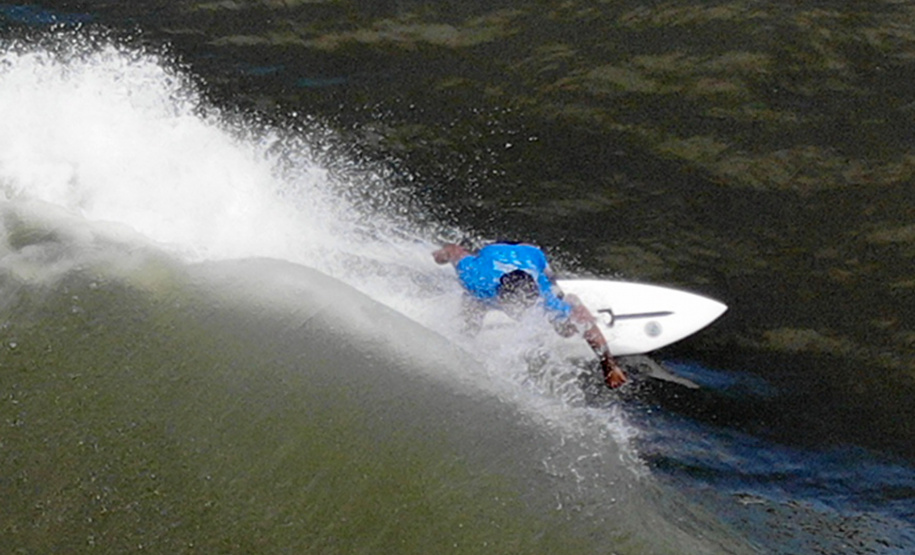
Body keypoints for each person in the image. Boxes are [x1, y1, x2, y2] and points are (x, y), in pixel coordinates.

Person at [433, 241, 627, 389]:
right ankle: (466, 335)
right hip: (496, 251)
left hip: (532, 254)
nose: (523, 312)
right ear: (502, 298)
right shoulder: (475, 279)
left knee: (565, 330)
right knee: (473, 305)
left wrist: (609, 366)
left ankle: (573, 301)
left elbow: (588, 328)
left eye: (528, 305)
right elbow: (454, 250)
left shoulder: (544, 298)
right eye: (518, 307)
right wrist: (441, 255)